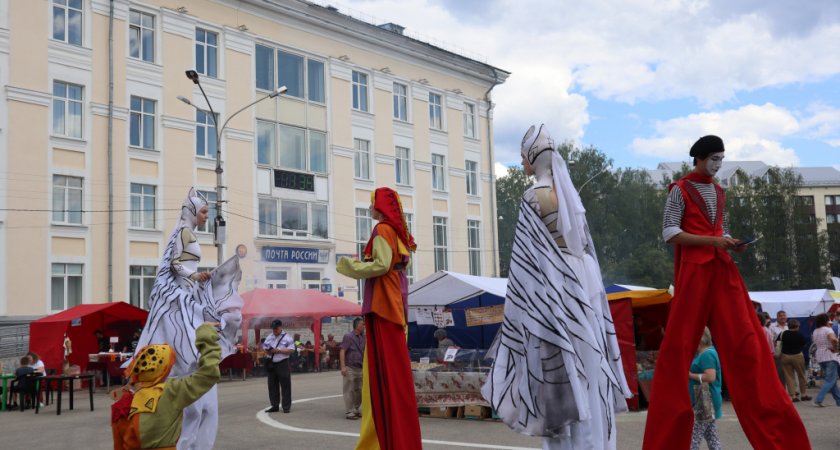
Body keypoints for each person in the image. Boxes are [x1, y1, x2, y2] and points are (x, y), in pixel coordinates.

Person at [643, 135, 810, 449]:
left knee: (749, 344)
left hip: (722, 269)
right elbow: (669, 232)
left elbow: (722, 230)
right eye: (714, 159)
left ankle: (780, 437)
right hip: (694, 271)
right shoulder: (679, 189)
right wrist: (714, 242)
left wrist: (732, 242)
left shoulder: (719, 192)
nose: (718, 166)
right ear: (700, 158)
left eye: (721, 160)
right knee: (677, 350)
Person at [482, 125, 631, 450]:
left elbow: (523, 262)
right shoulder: (570, 198)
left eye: (523, 158)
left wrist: (519, 313)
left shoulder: (532, 196)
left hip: (551, 291)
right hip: (583, 287)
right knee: (588, 372)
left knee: (556, 376)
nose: (522, 164)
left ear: (534, 158)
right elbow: (584, 248)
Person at [133, 187, 244, 450]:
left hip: (185, 294)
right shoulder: (184, 232)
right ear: (192, 211)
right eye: (204, 211)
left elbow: (180, 267)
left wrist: (197, 278)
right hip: (179, 297)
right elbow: (175, 265)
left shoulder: (185, 233)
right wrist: (195, 277)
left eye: (207, 212)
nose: (206, 216)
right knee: (191, 344)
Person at [337, 187, 422, 450]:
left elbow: (382, 265)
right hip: (392, 303)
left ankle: (385, 440)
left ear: (381, 207)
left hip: (385, 304)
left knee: (381, 373)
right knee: (390, 373)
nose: (369, 207)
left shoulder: (383, 230)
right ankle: (394, 437)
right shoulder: (395, 232)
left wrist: (349, 267)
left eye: (372, 203)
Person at [111, 322, 221, 450]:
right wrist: (205, 334)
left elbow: (119, 446)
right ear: (164, 371)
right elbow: (209, 373)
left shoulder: (121, 403)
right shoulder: (171, 391)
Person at [689, 328, 722, 450]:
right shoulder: (706, 352)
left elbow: (710, 377)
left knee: (693, 439)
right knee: (712, 437)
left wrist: (689, 375)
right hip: (704, 398)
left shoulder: (707, 354)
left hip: (704, 399)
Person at [262, 319, 295, 413]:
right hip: (271, 363)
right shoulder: (269, 336)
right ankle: (274, 405)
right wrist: (269, 350)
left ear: (280, 327)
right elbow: (265, 347)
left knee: (285, 385)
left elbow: (292, 350)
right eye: (273, 329)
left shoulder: (287, 338)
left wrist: (279, 350)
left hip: (282, 363)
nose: (274, 330)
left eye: (276, 328)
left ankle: (286, 406)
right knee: (272, 385)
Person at [340, 317, 366, 420]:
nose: (364, 326)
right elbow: (342, 351)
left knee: (359, 390)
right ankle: (349, 411)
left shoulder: (364, 337)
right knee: (348, 389)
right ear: (356, 326)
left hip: (361, 367)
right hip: (350, 367)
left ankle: (356, 409)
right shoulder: (348, 336)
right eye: (362, 324)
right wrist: (343, 366)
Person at [812, 313, 840, 407]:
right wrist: (836, 348)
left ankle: (839, 400)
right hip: (830, 356)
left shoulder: (815, 331)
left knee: (832, 381)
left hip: (820, 356)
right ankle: (819, 399)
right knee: (830, 380)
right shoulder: (828, 329)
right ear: (826, 320)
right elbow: (834, 340)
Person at [779, 319, 810, 402]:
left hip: (785, 356)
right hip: (797, 356)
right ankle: (803, 394)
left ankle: (793, 396)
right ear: (797, 326)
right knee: (801, 375)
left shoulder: (783, 333)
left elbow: (777, 343)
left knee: (789, 377)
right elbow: (803, 344)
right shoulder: (799, 335)